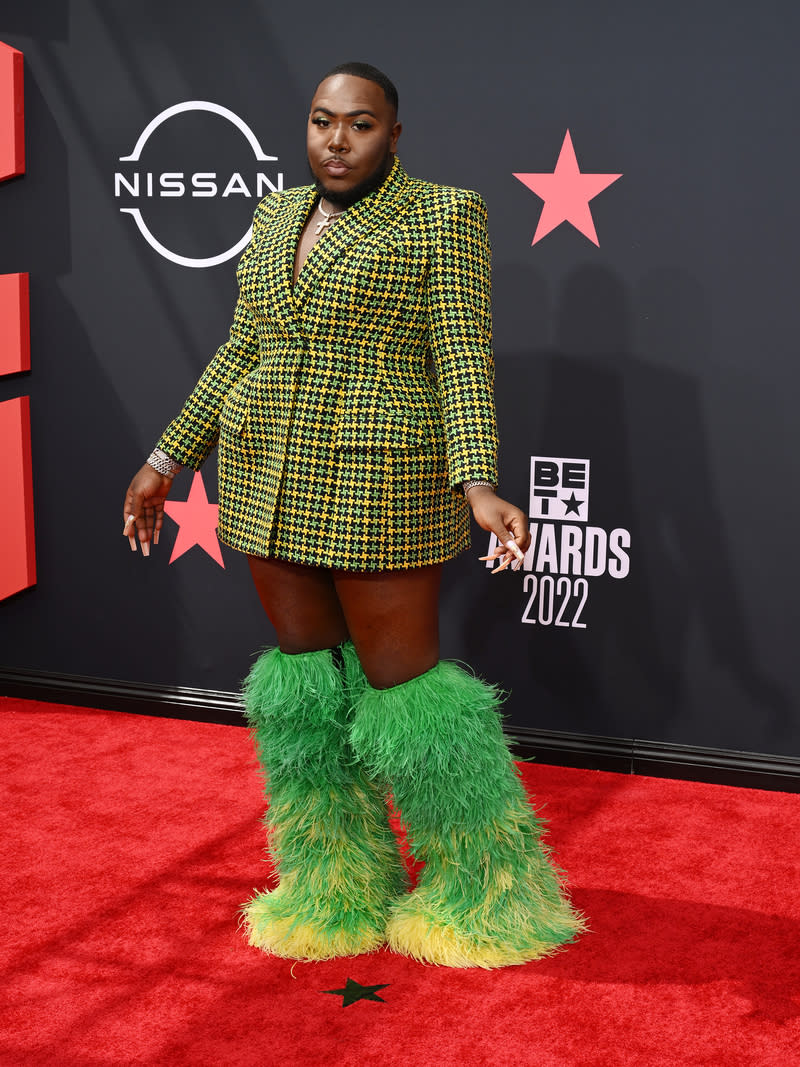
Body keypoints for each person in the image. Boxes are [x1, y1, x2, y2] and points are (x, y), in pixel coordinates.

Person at [122, 61, 584, 968]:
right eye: (322, 121)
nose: (337, 140)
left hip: (383, 481)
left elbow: (460, 354)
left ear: (394, 136)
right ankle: (333, 882)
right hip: (267, 477)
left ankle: (490, 893)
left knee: (407, 691)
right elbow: (244, 348)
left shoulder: (441, 214)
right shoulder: (272, 215)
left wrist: (477, 482)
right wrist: (164, 458)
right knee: (302, 688)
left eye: (360, 124)